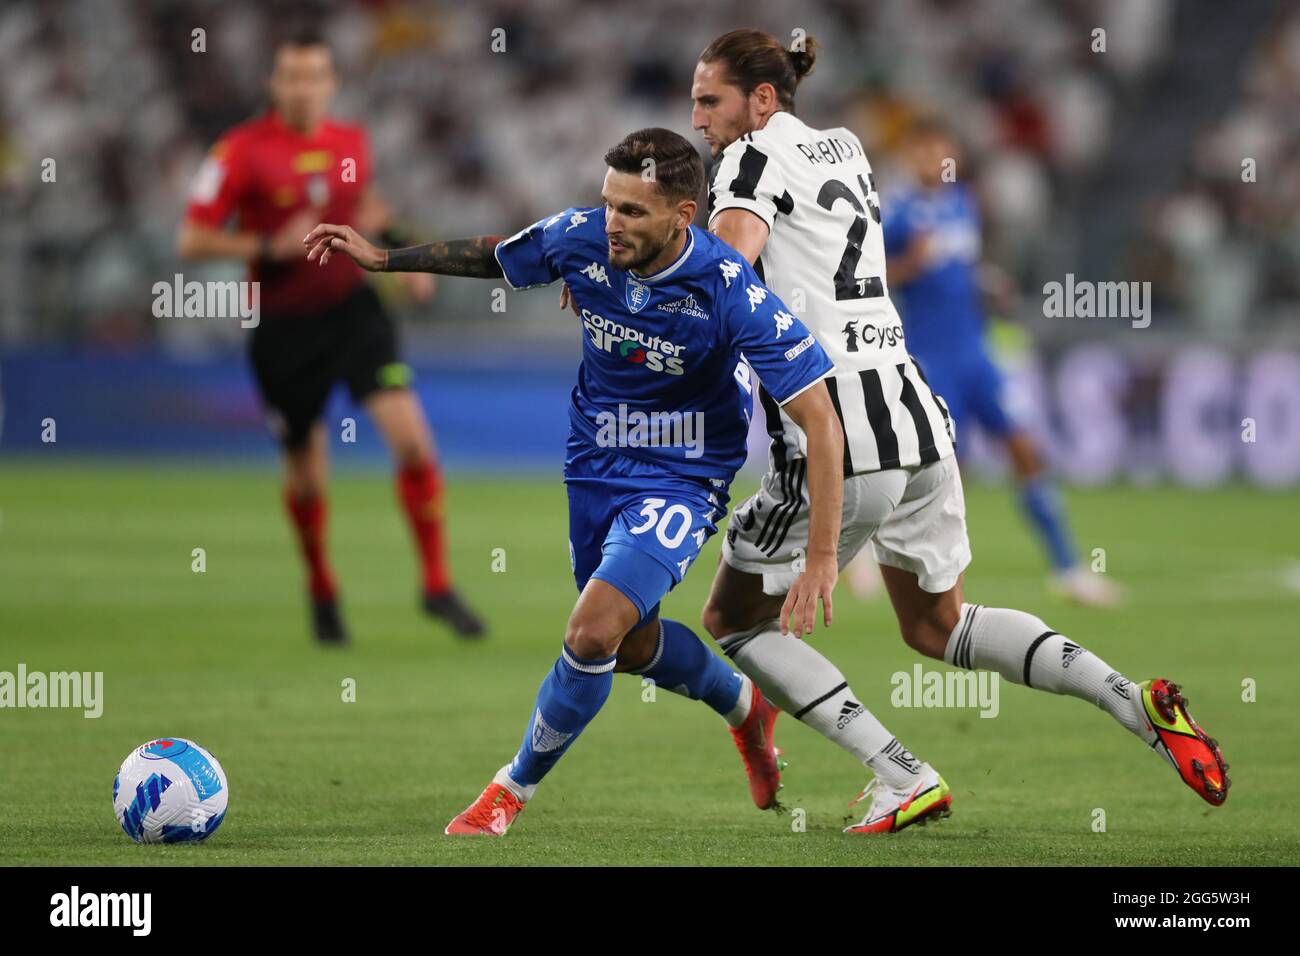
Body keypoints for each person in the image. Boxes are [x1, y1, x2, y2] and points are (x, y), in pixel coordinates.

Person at [686, 28, 1228, 832]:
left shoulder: (744, 161)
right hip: (916, 416)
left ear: (761, 101)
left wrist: (633, 283)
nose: (699, 120)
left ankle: (899, 773)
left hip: (835, 429)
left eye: (710, 101)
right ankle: (1135, 701)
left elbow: (726, 277)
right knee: (940, 626)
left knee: (732, 621)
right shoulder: (844, 147)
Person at [304, 127, 847, 836]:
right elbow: (496, 256)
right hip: (594, 464)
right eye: (608, 204)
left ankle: (508, 792)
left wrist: (824, 557)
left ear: (683, 216)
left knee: (592, 633)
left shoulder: (728, 289)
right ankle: (746, 706)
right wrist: (382, 258)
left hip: (683, 478)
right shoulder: (581, 239)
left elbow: (822, 421)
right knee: (629, 646)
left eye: (632, 212)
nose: (610, 224)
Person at [177, 30, 483, 644]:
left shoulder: (350, 143)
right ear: (275, 83)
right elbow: (192, 239)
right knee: (309, 477)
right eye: (292, 76)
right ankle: (321, 586)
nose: (303, 88)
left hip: (352, 311)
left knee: (415, 445)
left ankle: (437, 584)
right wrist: (267, 245)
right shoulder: (239, 152)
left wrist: (403, 253)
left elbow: (363, 204)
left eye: (314, 76)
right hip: (284, 328)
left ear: (330, 83)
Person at [876, 118, 1118, 606]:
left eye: (945, 151)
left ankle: (1068, 568)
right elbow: (871, 279)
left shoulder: (963, 202)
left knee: (1026, 449)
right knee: (946, 474)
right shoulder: (896, 212)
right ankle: (907, 569)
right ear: (911, 156)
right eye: (927, 151)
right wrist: (909, 266)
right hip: (931, 357)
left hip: (977, 353)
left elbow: (961, 268)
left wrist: (988, 283)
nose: (939, 161)